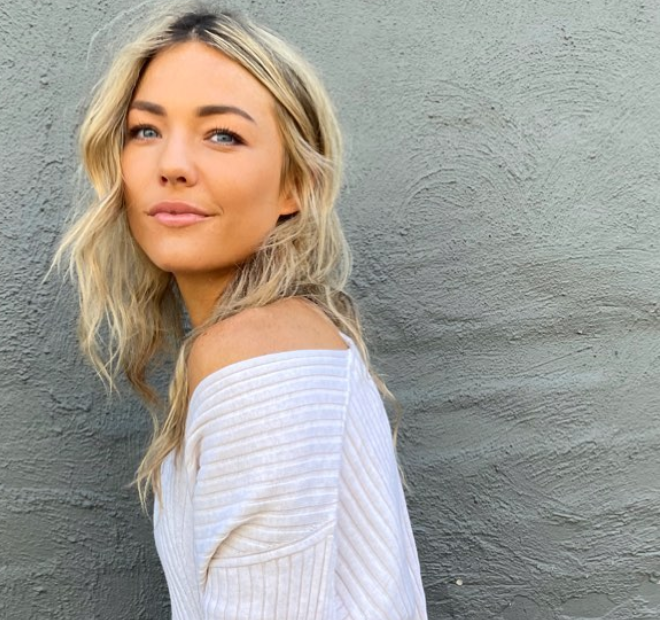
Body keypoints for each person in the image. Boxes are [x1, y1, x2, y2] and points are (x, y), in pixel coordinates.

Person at [55, 5, 427, 618]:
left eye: (222, 135)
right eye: (145, 131)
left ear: (295, 185)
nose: (171, 164)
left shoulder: (257, 352)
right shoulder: (278, 335)